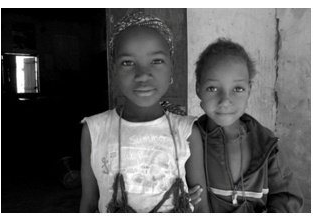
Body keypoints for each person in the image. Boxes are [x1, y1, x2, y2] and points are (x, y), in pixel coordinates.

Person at [79, 12, 209, 213]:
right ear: (114, 70)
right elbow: (88, 203)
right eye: (128, 62)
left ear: (171, 67)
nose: (142, 75)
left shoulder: (187, 132)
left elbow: (201, 208)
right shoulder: (94, 130)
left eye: (156, 61)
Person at [193, 38, 303, 212]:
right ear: (198, 89)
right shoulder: (186, 141)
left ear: (249, 89)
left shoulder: (267, 143)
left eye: (238, 89)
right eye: (212, 88)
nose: (225, 101)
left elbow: (287, 197)